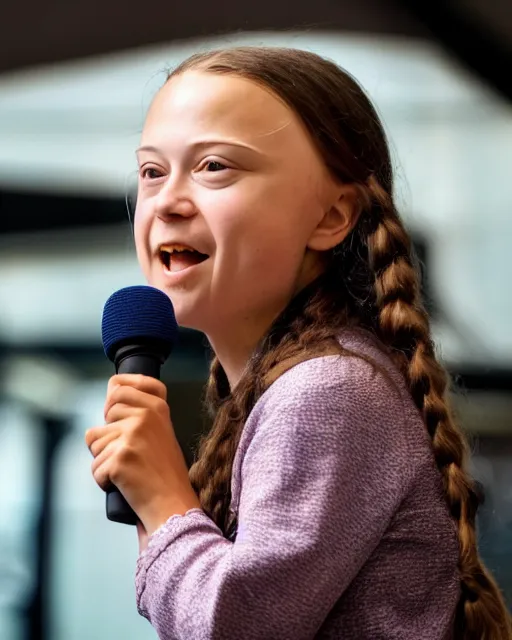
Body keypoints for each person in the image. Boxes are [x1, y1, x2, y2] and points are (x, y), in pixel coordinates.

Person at [85, 46, 511, 639]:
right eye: (152, 171)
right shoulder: (298, 384)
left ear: (332, 217)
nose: (169, 202)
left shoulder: (327, 392)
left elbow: (235, 627)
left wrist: (164, 501)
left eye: (214, 167)